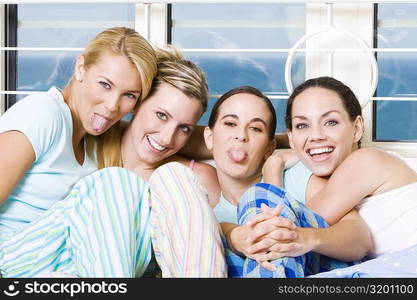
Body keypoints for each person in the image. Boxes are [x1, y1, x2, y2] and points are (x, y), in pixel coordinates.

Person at [0, 26, 158, 277]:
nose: (112, 106)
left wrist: (231, 136)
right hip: (13, 259)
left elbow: (162, 134)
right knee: (117, 182)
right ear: (81, 68)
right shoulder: (43, 114)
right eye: (105, 85)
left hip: (57, 268)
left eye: (129, 95)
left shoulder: (100, 138)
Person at [202, 85, 372, 278]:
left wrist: (304, 238)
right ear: (209, 137)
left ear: (269, 148)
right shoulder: (210, 219)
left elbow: (361, 238)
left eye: (256, 128)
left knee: (257, 195)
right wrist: (234, 239)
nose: (241, 135)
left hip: (331, 270)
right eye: (230, 124)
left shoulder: (297, 176)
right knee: (224, 256)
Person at [261, 76, 417, 277]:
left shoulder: (367, 161)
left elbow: (287, 227)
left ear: (357, 128)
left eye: (330, 122)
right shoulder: (340, 184)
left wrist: (273, 165)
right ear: (291, 138)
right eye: (302, 125)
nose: (316, 135)